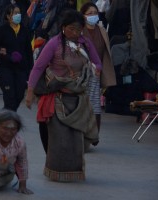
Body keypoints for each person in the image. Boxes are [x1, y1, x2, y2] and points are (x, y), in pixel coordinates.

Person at [25, 10, 101, 182]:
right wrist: (30, 92)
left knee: (76, 140)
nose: (75, 33)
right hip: (57, 97)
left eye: (79, 29)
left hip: (78, 99)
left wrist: (92, 70)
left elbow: (98, 63)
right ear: (63, 27)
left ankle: (73, 172)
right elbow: (38, 67)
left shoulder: (85, 44)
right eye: (72, 29)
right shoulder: (54, 44)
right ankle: (54, 171)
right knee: (58, 140)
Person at [80, 2, 116, 133]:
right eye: (90, 13)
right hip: (81, 72)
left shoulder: (101, 30)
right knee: (84, 104)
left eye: (95, 13)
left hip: (97, 71)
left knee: (95, 104)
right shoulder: (79, 31)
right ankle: (84, 132)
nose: (93, 16)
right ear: (83, 15)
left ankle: (94, 134)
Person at [0, 4, 33, 111]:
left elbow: (28, 50)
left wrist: (30, 69)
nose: (18, 15)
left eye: (19, 13)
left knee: (19, 95)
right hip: (6, 68)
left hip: (21, 69)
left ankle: (7, 113)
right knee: (9, 96)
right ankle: (8, 117)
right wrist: (1, 51)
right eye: (15, 13)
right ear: (8, 16)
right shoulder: (2, 29)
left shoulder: (24, 30)